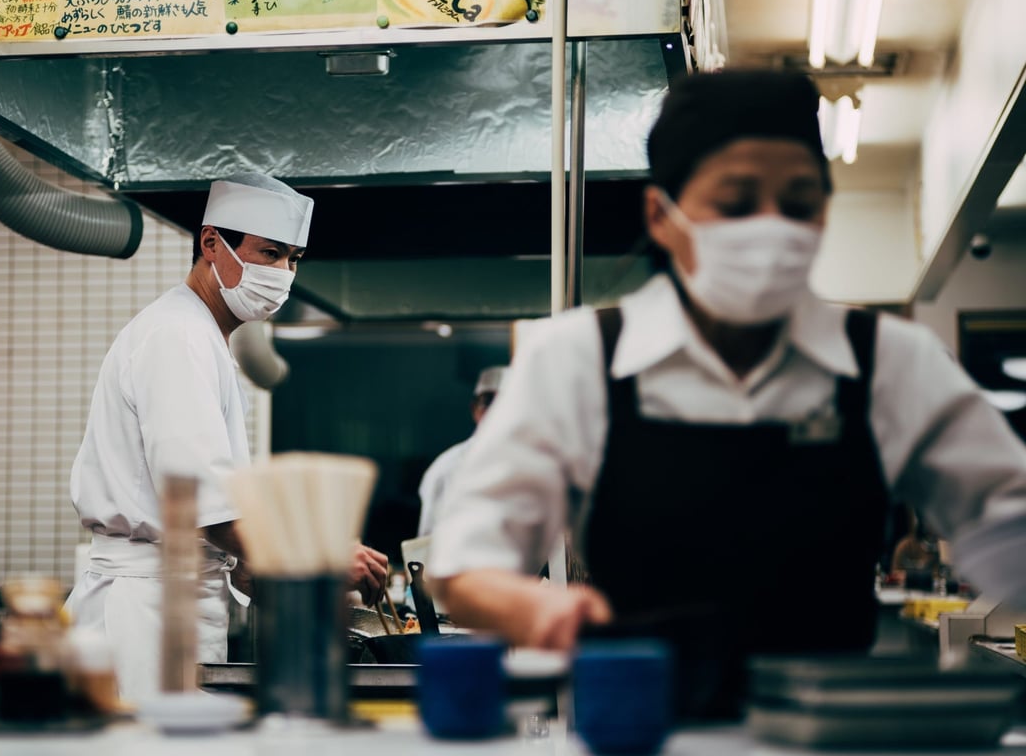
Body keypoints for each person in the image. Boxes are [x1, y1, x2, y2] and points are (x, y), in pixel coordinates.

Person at [428, 70, 1026, 718]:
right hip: (642, 733)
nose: (771, 228)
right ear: (661, 216)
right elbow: (464, 566)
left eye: (798, 204)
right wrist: (537, 607)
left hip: (828, 736)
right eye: (737, 204)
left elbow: (1009, 522)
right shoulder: (577, 360)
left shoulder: (891, 361)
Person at [66, 173, 389, 703]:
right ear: (211, 243)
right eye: (270, 253)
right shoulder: (176, 336)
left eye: (293, 259)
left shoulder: (202, 337)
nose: (283, 273)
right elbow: (207, 507)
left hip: (174, 602)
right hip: (143, 616)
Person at [417, 365, 509, 537]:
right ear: (474, 409)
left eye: (505, 402)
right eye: (488, 402)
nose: (497, 411)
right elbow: (429, 543)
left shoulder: (534, 462)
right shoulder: (446, 468)